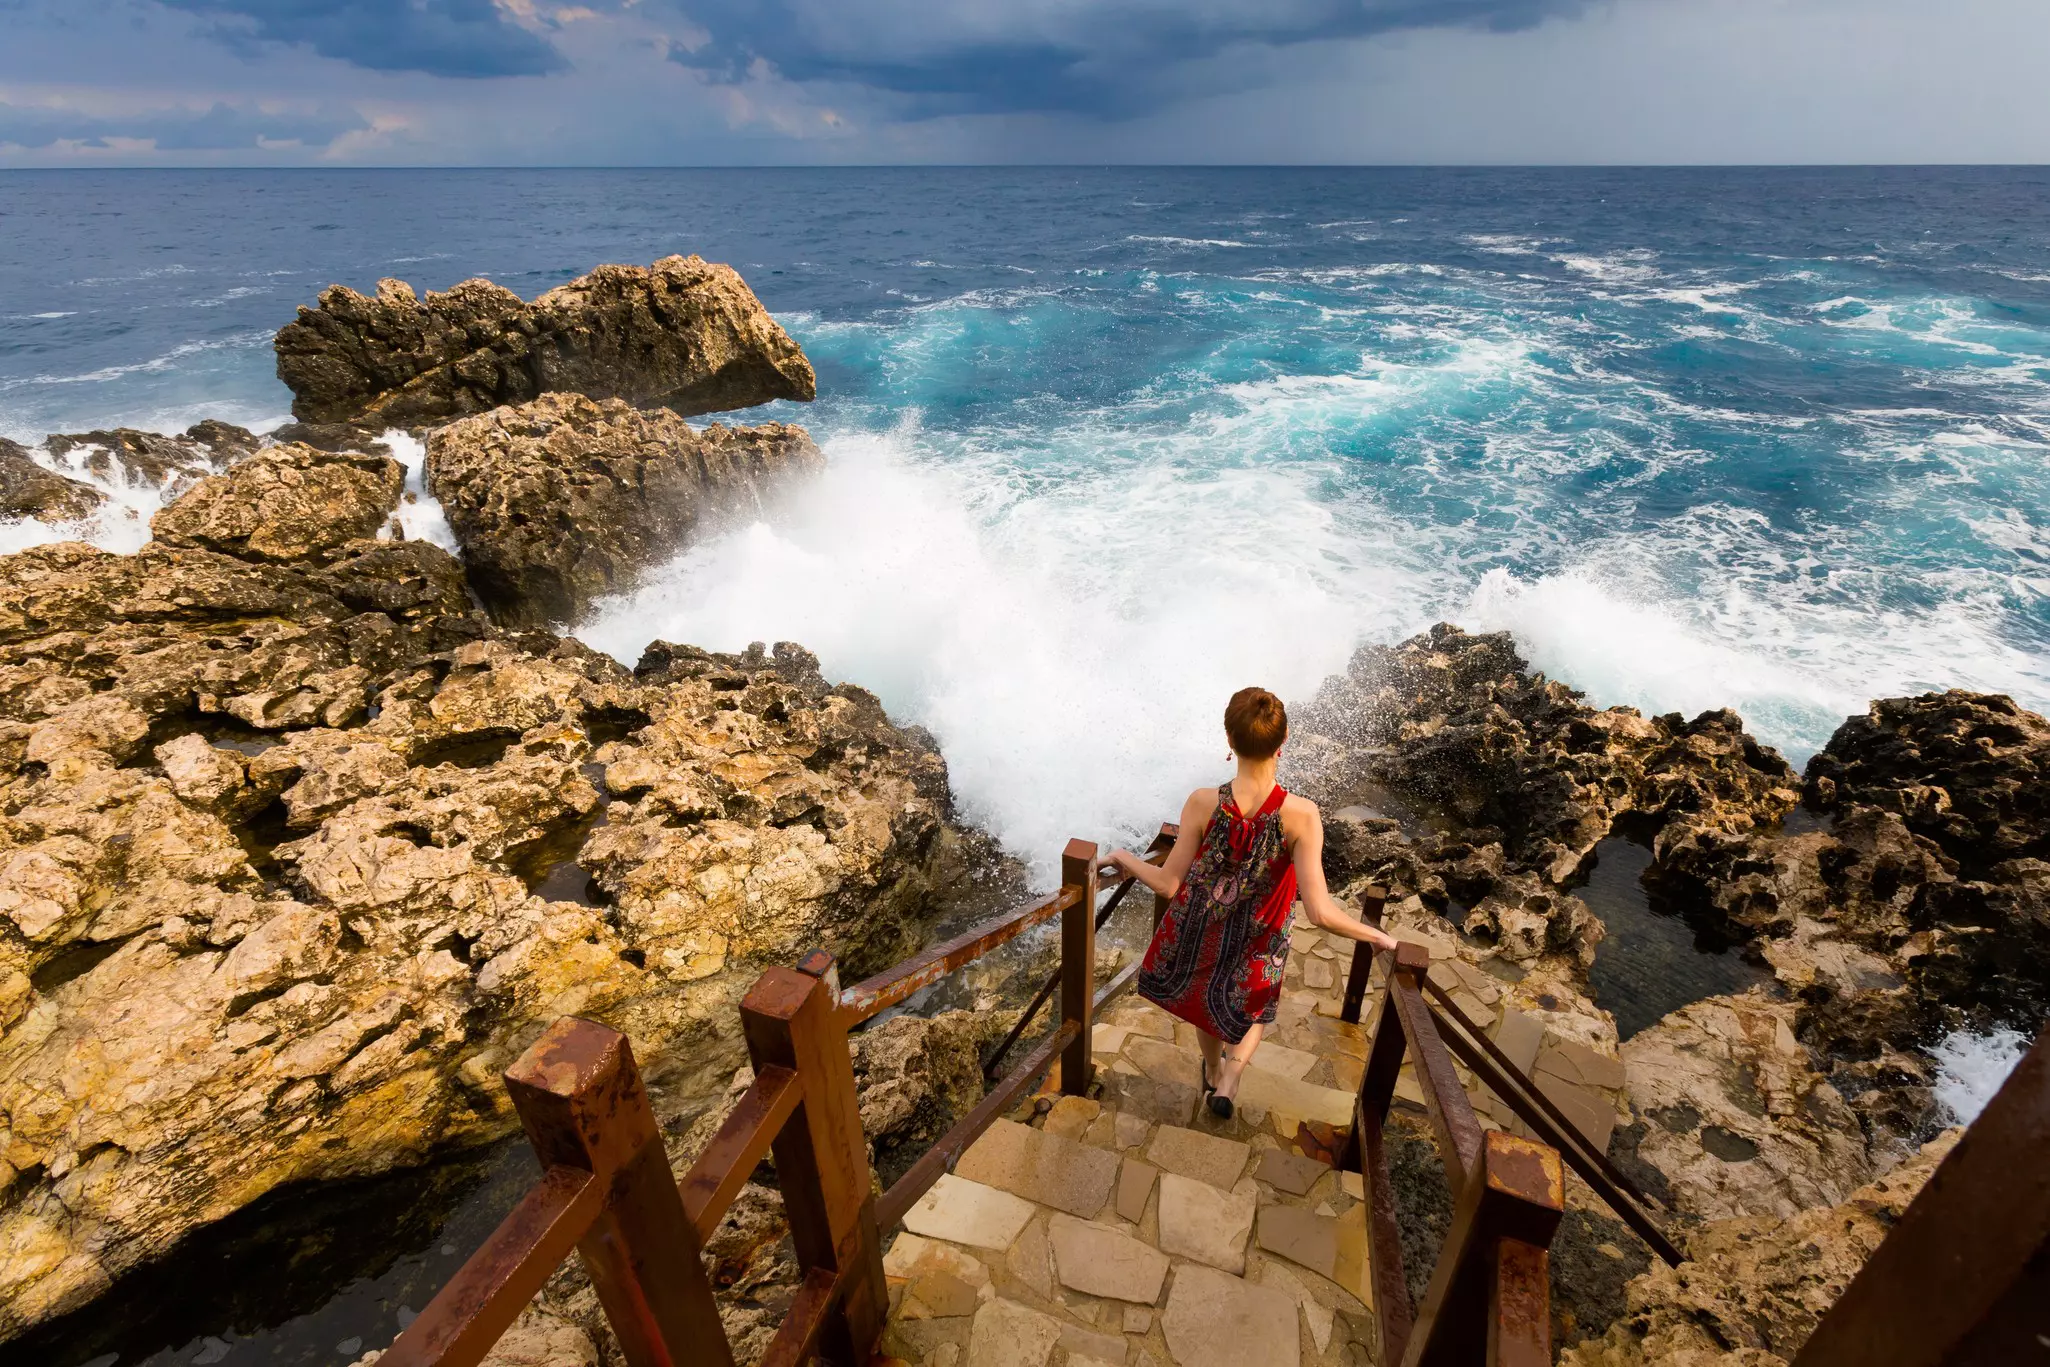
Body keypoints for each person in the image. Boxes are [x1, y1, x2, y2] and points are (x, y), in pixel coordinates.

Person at [1108, 686, 1400, 1118]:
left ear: (1229, 741)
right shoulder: (1301, 814)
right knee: (1252, 1005)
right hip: (1262, 935)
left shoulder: (1203, 802)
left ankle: (1211, 1068)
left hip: (1202, 926)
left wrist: (1123, 858)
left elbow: (1169, 884)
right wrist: (1376, 936)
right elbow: (1320, 912)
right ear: (1282, 744)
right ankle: (1231, 1077)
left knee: (1203, 998)